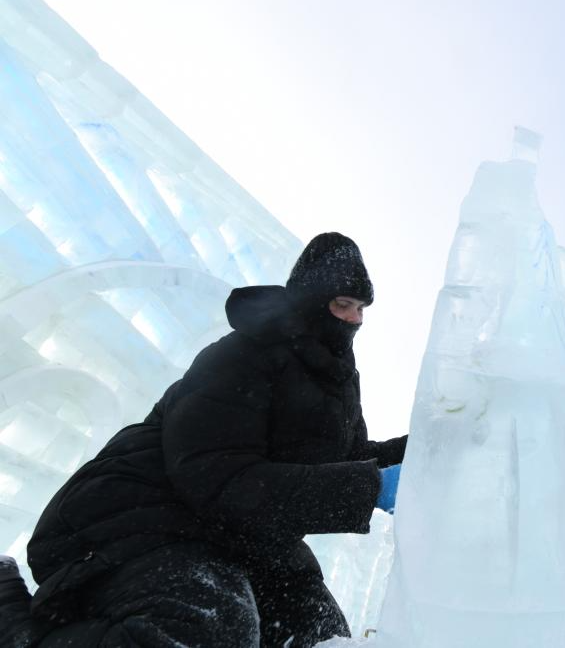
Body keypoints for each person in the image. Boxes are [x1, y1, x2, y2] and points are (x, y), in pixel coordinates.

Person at [0, 232, 406, 647]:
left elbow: (349, 460)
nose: (354, 319)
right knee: (211, 624)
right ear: (312, 301)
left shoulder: (336, 383)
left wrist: (425, 452)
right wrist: (370, 488)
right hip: (140, 516)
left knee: (319, 635)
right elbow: (216, 476)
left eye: (360, 309)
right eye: (343, 305)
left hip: (239, 541)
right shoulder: (242, 355)